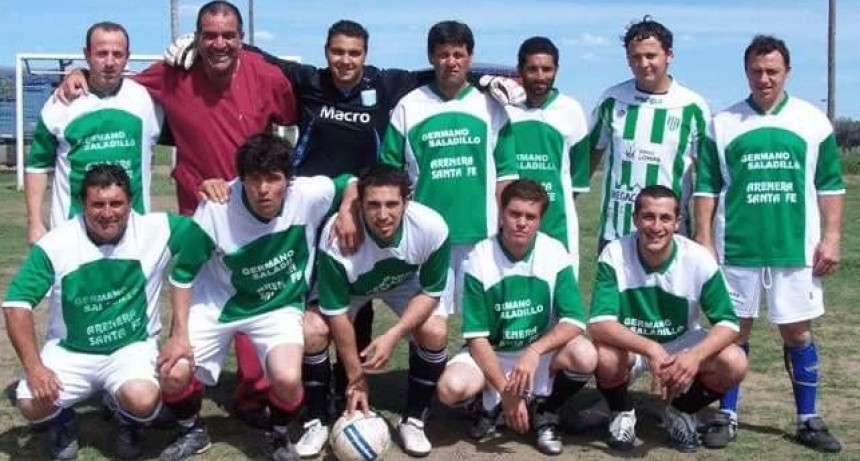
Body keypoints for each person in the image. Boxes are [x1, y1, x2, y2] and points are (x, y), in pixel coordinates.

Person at [57, 1, 301, 425]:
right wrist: (77, 74)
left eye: (228, 35)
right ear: (197, 37)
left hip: (255, 211)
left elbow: (295, 120)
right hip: (198, 210)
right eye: (209, 35)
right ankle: (177, 391)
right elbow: (116, 81)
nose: (219, 43)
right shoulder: (173, 73)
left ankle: (253, 395)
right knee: (195, 298)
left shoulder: (267, 77)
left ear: (241, 39)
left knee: (255, 293)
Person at [156, 133, 356, 461]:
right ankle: (192, 430)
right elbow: (182, 275)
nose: (263, 189)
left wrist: (347, 209)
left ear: (288, 181)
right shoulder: (217, 208)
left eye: (273, 179)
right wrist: (178, 336)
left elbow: (350, 181)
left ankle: (277, 435)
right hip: (219, 303)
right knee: (173, 372)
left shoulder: (308, 193)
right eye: (254, 179)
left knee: (288, 378)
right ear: (241, 179)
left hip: (277, 306)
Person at [694, 35, 844, 453]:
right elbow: (706, 187)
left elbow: (830, 184)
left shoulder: (812, 121)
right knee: (731, 332)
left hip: (793, 249)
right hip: (736, 249)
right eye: (757, 71)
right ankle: (727, 414)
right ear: (746, 72)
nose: (764, 79)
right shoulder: (723, 123)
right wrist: (704, 239)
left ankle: (807, 418)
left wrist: (831, 237)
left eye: (772, 71)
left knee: (797, 333)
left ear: (787, 72)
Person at [3, 164, 209, 460]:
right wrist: (35, 368)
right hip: (71, 351)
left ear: (130, 202)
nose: (107, 212)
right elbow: (16, 306)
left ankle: (132, 424)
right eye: (97, 204)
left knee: (143, 398)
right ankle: (63, 423)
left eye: (116, 203)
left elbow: (208, 229)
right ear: (82, 204)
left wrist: (225, 192)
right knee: (29, 401)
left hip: (131, 348)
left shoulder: (156, 230)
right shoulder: (56, 244)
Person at [436, 179, 596, 456]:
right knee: (450, 388)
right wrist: (506, 392)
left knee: (585, 354)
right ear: (502, 213)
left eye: (530, 216)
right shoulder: (480, 258)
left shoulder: (554, 252)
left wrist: (534, 351)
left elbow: (575, 320)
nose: (522, 222)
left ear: (540, 220)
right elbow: (476, 338)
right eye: (515, 214)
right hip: (494, 352)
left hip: (539, 354)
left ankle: (545, 410)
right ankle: (487, 405)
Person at [589, 184, 747, 453]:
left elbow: (729, 323)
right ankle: (622, 411)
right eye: (648, 216)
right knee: (604, 356)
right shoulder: (614, 253)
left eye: (665, 218)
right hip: (635, 344)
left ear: (677, 222)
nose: (656, 226)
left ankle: (680, 411)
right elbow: (599, 323)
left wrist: (694, 356)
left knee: (734, 361)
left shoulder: (698, 258)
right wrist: (650, 348)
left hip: (681, 341)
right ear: (635, 219)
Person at [311, 164, 451, 457]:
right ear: (360, 204)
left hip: (402, 282)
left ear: (406, 201)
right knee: (312, 331)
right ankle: (317, 419)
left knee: (435, 331)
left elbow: (431, 292)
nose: (383, 214)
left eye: (392, 204)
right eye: (373, 205)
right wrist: (357, 378)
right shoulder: (336, 236)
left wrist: (394, 335)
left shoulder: (431, 226)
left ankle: (413, 419)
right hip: (352, 289)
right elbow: (336, 313)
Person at [381, 20, 519, 314]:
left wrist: (504, 224)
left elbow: (505, 177)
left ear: (470, 57)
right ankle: (430, 364)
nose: (451, 62)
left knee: (482, 319)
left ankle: (480, 363)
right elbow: (389, 174)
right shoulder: (409, 105)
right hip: (427, 234)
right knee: (430, 321)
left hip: (480, 233)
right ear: (431, 57)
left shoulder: (491, 106)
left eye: (458, 54)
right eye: (443, 55)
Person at [25, 21, 162, 245]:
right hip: (73, 236)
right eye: (101, 53)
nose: (109, 62)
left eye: (117, 54)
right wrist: (34, 222)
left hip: (133, 237)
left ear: (128, 56)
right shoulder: (60, 103)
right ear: (86, 55)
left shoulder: (146, 100)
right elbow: (38, 167)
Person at [587, 17, 710, 253]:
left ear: (669, 55)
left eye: (651, 55)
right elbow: (588, 160)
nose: (643, 64)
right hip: (616, 235)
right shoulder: (612, 100)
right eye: (636, 57)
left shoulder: (692, 106)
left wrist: (704, 233)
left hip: (672, 235)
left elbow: (707, 175)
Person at [498, 36, 590, 275]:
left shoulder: (571, 110)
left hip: (557, 223)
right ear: (520, 70)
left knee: (559, 300)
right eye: (532, 69)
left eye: (547, 69)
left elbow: (578, 178)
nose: (540, 76)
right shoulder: (504, 109)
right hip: (511, 221)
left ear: (556, 70)